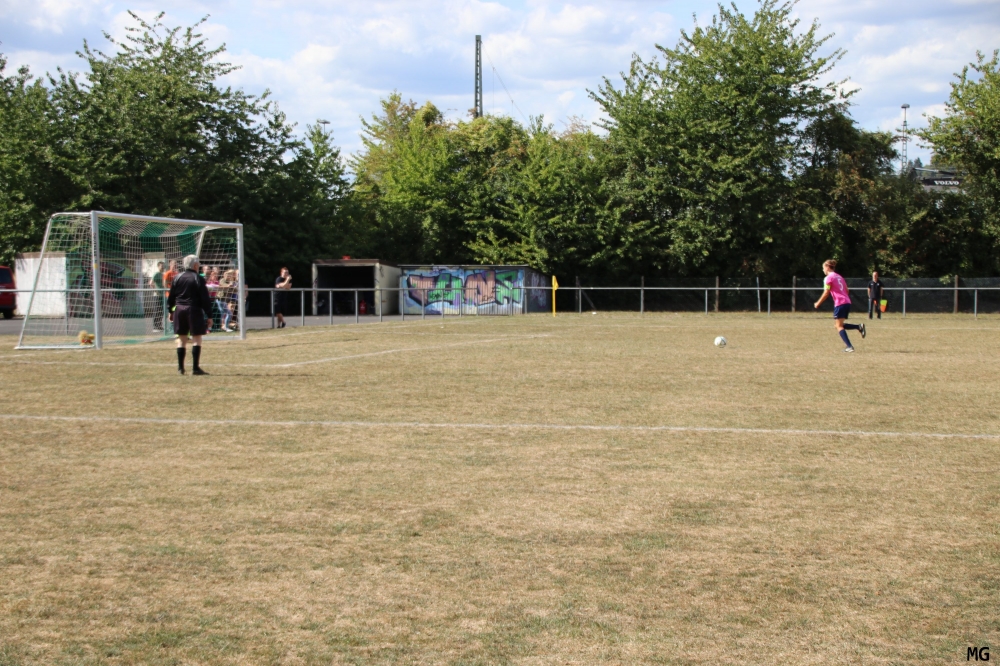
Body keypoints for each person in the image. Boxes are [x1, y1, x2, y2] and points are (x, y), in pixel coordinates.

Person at [167, 254, 213, 375]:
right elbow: (205, 298)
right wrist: (209, 315)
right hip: (193, 309)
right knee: (196, 338)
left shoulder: (177, 277)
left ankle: (180, 368)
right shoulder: (198, 278)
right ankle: (195, 368)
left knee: (182, 339)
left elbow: (171, 296)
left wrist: (170, 311)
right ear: (195, 265)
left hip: (179, 310)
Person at [814, 259, 865, 352]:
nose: (823, 270)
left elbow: (826, 292)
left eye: (823, 268)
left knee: (839, 326)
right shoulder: (839, 277)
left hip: (840, 303)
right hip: (847, 302)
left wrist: (818, 303)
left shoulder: (828, 278)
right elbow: (847, 290)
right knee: (838, 325)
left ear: (827, 267)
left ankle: (849, 347)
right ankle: (858, 327)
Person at [149, 261, 165, 332]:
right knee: (157, 310)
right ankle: (155, 327)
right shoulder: (156, 274)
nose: (163, 267)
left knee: (161, 311)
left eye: (164, 266)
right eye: (161, 266)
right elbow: (151, 283)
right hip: (157, 295)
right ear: (158, 266)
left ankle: (159, 325)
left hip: (162, 295)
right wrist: (155, 290)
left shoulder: (163, 274)